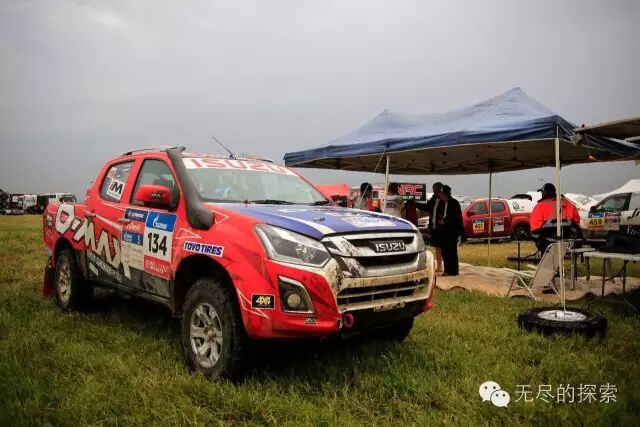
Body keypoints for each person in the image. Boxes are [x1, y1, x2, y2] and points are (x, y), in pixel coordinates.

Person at [529, 183, 582, 253]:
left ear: (545, 193)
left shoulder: (539, 207)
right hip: (569, 245)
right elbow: (577, 222)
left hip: (548, 246)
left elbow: (535, 230)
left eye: (542, 192)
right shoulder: (568, 203)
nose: (541, 194)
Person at [436, 185, 464, 276]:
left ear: (445, 194)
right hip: (447, 230)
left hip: (452, 231)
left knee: (450, 251)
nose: (440, 195)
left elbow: (454, 218)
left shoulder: (453, 203)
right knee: (447, 251)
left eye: (441, 194)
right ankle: (450, 270)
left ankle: (451, 271)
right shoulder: (447, 203)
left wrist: (443, 221)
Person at [417, 182, 444, 272]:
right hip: (434, 226)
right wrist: (415, 204)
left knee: (442, 247)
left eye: (434, 189)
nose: (433, 191)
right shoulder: (433, 199)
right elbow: (427, 207)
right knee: (437, 246)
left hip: (442, 227)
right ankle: (439, 265)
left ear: (438, 189)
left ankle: (444, 265)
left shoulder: (445, 200)